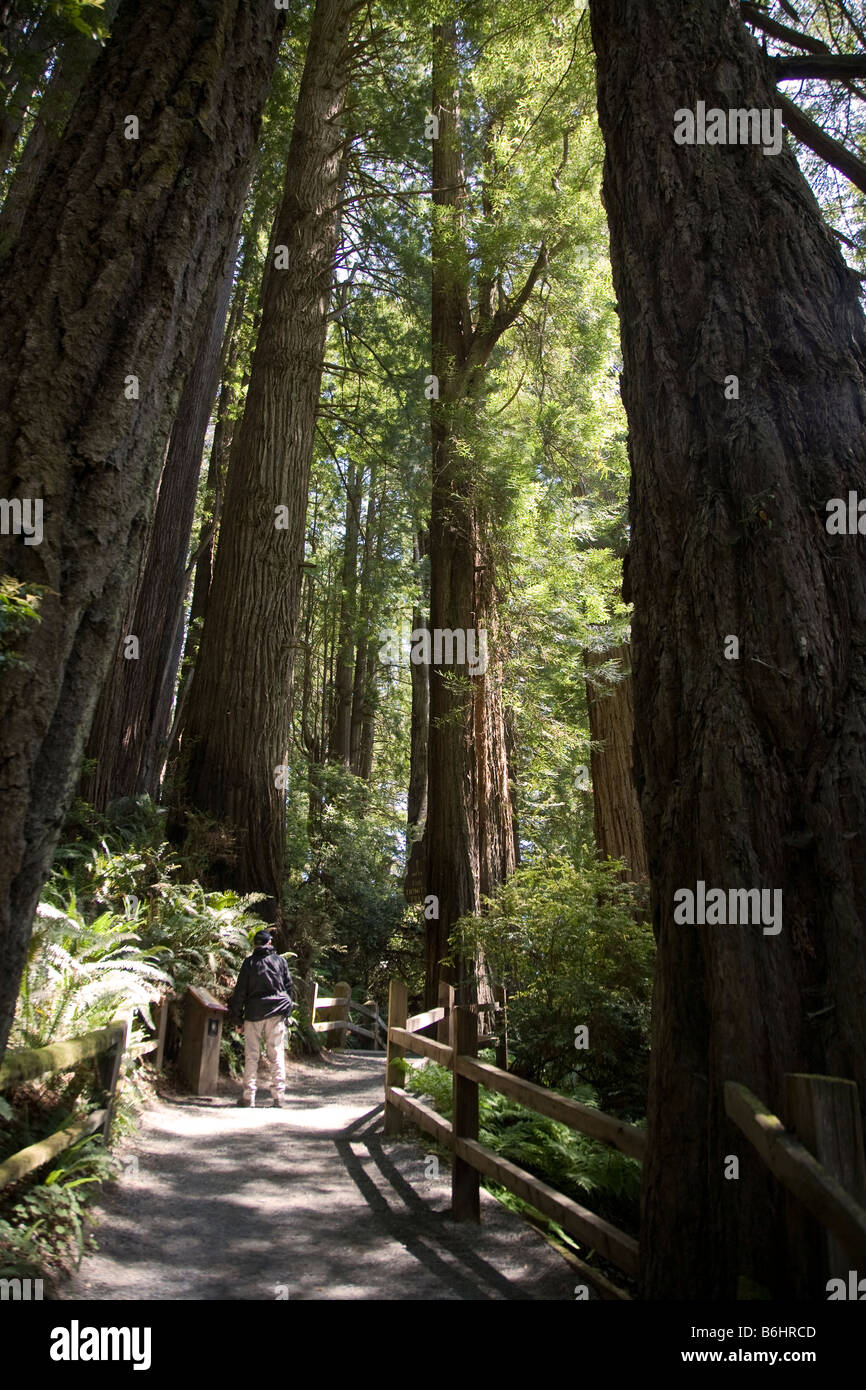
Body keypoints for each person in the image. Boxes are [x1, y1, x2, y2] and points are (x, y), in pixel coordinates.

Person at [227, 928, 293, 1109]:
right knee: (276, 1054)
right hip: (276, 1012)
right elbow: (288, 988)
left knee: (251, 1055)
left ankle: (248, 1097)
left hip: (253, 1013)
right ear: (270, 943)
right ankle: (279, 1096)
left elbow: (240, 992)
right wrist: (287, 1012)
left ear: (255, 944)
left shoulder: (249, 963)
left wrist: (237, 1019)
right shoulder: (280, 962)